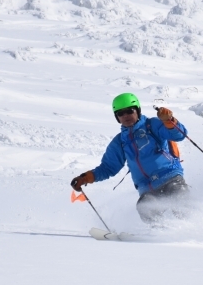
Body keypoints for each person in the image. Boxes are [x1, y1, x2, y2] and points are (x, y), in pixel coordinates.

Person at [71, 93, 189, 224]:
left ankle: (191, 229)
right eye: (120, 113)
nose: (125, 115)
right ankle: (160, 236)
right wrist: (85, 178)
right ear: (117, 117)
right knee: (145, 207)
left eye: (129, 111)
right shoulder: (120, 141)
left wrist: (169, 121)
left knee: (180, 198)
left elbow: (179, 135)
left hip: (170, 178)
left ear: (137, 110)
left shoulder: (152, 125)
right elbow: (108, 167)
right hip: (147, 189)